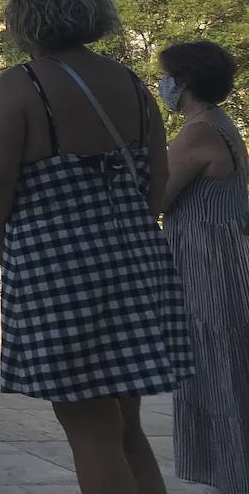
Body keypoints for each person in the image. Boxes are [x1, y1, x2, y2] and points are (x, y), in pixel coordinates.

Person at [0, 0, 192, 494]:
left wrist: (4, 238)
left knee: (89, 430)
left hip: (58, 265)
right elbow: (157, 177)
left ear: (24, 18)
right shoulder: (132, 85)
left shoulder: (23, 85)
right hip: (135, 258)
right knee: (127, 427)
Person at [157, 40, 249, 493]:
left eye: (167, 77)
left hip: (205, 261)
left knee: (215, 367)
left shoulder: (197, 132)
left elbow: (155, 196)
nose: (163, 85)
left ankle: (230, 470)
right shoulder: (220, 123)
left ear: (184, 81)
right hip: (223, 256)